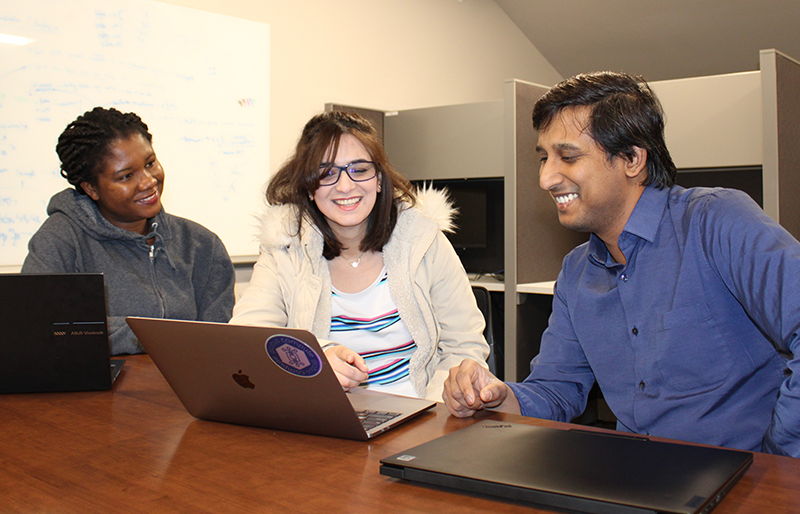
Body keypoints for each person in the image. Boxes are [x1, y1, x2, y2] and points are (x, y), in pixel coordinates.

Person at [443, 71, 800, 457]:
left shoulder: (716, 221)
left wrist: (779, 461)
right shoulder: (576, 273)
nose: (546, 178)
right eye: (544, 158)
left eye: (568, 156)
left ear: (631, 159)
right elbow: (554, 390)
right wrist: (494, 395)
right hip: (638, 478)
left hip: (746, 475)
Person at [230, 111, 489, 401]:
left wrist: (432, 411)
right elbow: (248, 340)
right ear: (309, 187)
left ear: (378, 178)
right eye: (327, 173)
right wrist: (316, 358)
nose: (345, 186)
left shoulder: (424, 240)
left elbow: (463, 347)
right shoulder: (283, 249)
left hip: (421, 413)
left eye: (360, 169)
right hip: (325, 418)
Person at [22, 107, 236, 355]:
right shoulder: (60, 240)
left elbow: (218, 341)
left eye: (150, 163)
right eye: (126, 176)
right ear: (91, 188)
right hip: (96, 392)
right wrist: (153, 336)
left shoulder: (201, 245)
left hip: (184, 389)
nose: (148, 181)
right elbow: (39, 328)